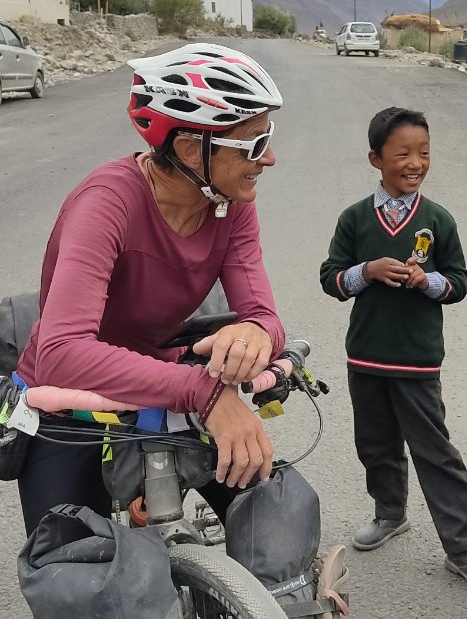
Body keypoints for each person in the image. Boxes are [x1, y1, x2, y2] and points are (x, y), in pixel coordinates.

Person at [16, 43, 286, 535]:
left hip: (162, 382)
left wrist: (256, 333)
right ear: (188, 148)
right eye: (251, 142)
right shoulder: (105, 204)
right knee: (71, 568)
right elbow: (62, 352)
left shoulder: (230, 202)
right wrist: (205, 393)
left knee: (276, 508)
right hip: (71, 398)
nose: (268, 158)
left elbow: (263, 313)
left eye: (266, 137)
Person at [318, 107, 467, 591]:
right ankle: (390, 512)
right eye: (403, 154)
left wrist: (426, 280)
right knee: (375, 445)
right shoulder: (354, 218)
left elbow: (460, 282)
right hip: (365, 357)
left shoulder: (437, 219)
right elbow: (331, 278)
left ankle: (462, 548)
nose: (416, 163)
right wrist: (365, 271)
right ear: (376, 159)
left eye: (425, 153)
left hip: (417, 360)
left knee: (435, 452)